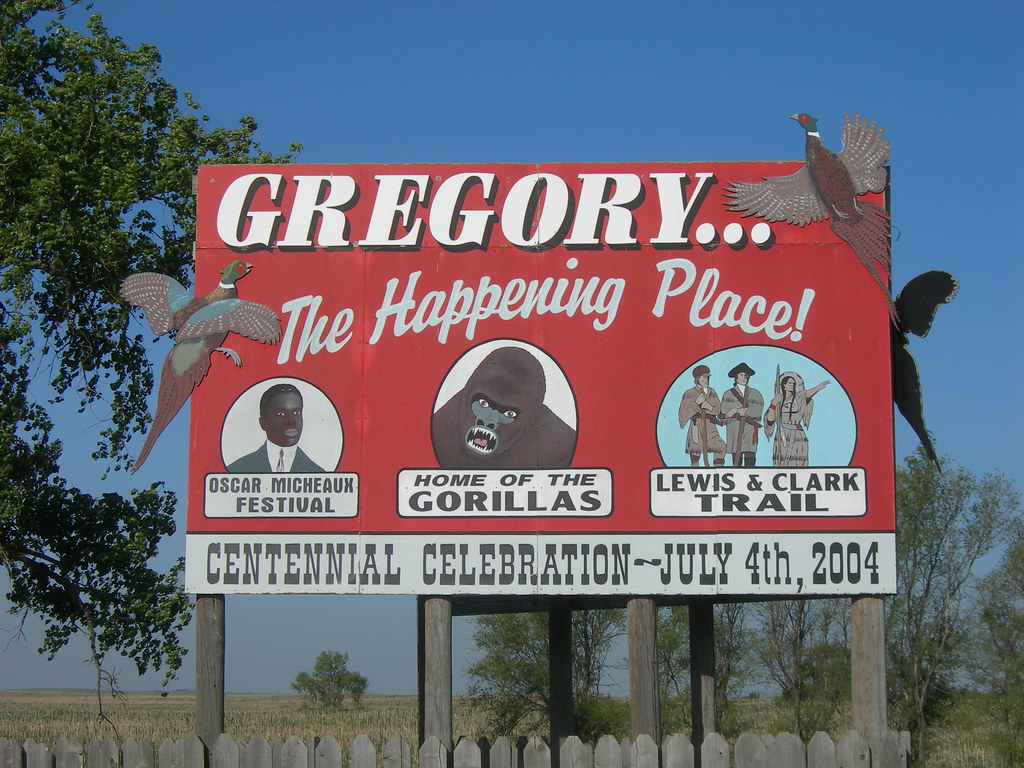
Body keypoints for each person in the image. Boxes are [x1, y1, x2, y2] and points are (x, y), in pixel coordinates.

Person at [227, 383, 326, 472]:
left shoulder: (318, 474)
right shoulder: (236, 470)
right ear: (263, 423)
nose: (291, 420)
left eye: (296, 412)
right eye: (281, 414)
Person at [763, 371, 830, 467]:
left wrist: (818, 387)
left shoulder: (799, 397)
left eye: (794, 383)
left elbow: (808, 394)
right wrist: (773, 404)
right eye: (790, 383)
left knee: (798, 459)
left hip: (798, 435)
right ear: (784, 385)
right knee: (781, 460)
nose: (792, 385)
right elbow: (770, 421)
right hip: (782, 434)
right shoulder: (778, 400)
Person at [677, 364, 727, 467]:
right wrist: (696, 403)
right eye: (704, 377)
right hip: (697, 426)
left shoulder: (712, 392)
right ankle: (695, 473)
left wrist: (709, 407)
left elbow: (718, 410)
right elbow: (683, 415)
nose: (706, 380)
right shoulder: (689, 393)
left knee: (721, 447)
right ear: (697, 379)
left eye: (707, 377)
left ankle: (719, 472)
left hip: (711, 427)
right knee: (695, 452)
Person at [721, 362, 764, 467]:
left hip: (749, 429)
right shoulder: (728, 394)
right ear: (736, 377)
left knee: (750, 457)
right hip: (734, 429)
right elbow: (723, 412)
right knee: (736, 459)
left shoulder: (755, 393)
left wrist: (746, 412)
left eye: (746, 375)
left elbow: (758, 411)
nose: (744, 377)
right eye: (741, 375)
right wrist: (736, 411)